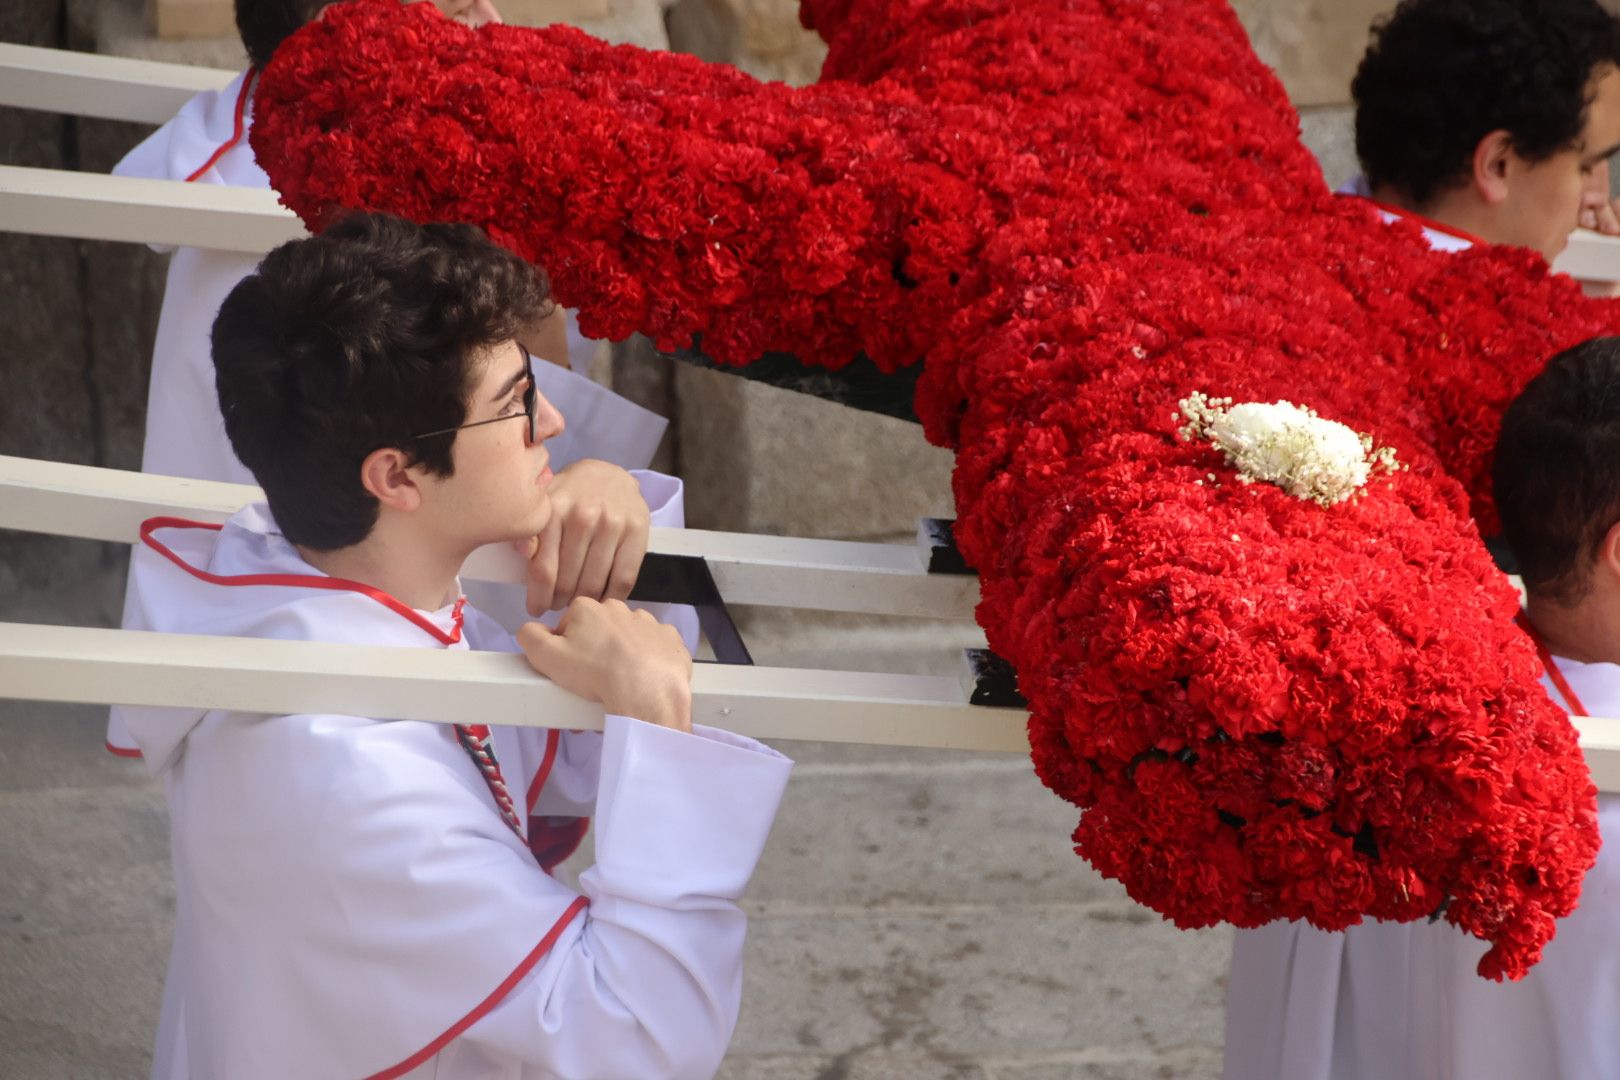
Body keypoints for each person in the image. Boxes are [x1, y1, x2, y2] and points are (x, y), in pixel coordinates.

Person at [115, 211, 793, 1079]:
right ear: (394, 476)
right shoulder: (350, 780)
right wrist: (655, 727)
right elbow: (635, 1040)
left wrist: (605, 496)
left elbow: (542, 773)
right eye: (515, 403)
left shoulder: (316, 578)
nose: (552, 422)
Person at [106, 0, 672, 757]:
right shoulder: (359, 202)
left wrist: (601, 479)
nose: (484, 14)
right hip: (348, 669)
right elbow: (489, 440)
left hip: (311, 608)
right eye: (448, 2)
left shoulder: (256, 136)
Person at [1225, 3, 1620, 1076]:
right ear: (1497, 162)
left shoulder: (1252, 270)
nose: (1597, 198)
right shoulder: (1543, 369)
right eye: (1591, 161)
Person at [1338, 0, 1620, 261]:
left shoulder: (1317, 244)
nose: (1596, 197)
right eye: (1585, 167)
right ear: (1498, 165)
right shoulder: (1469, 306)